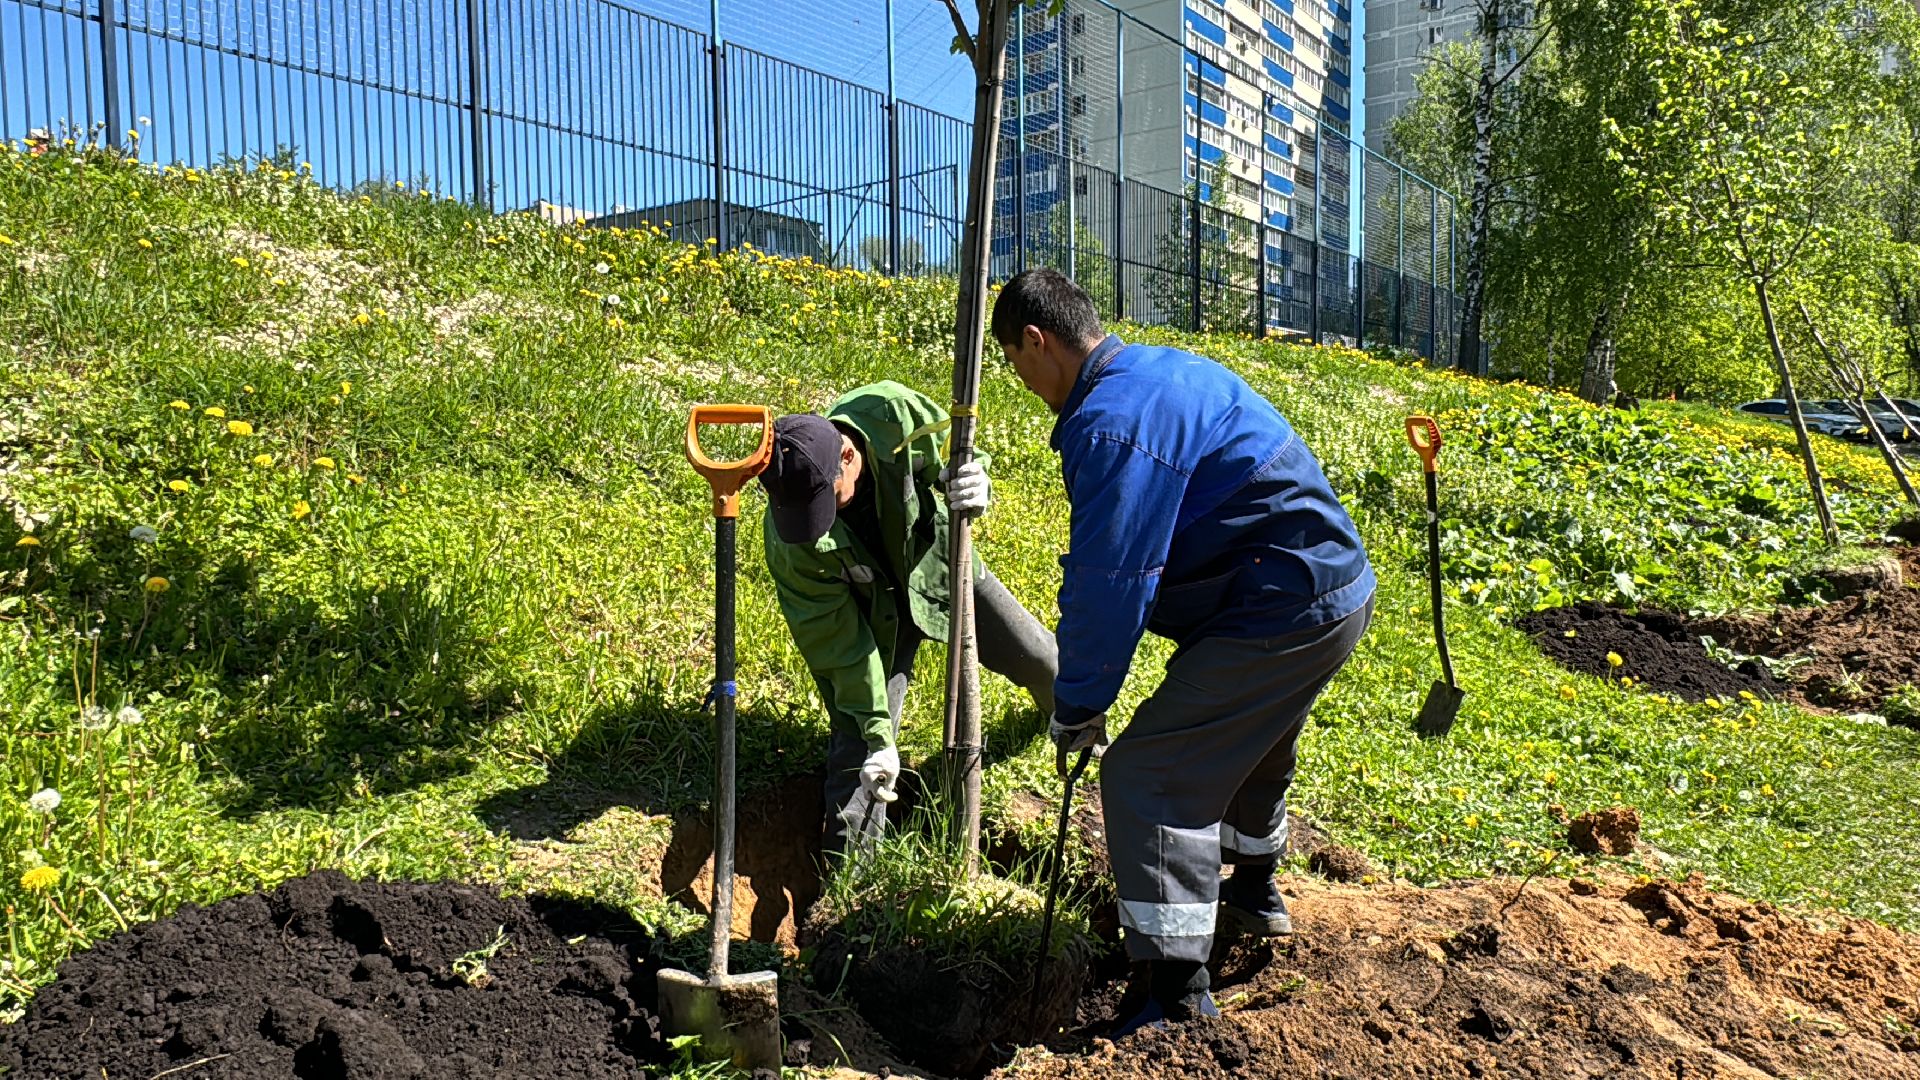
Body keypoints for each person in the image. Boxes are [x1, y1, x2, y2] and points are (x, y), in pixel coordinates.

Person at [991, 269, 1375, 1036]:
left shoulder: (1111, 422)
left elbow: (1113, 578)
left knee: (1149, 773)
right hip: (1321, 587)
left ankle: (1174, 991)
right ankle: (1253, 894)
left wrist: (1079, 705)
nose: (1021, 381)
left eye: (1013, 361)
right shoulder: (1158, 369)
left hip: (1280, 602)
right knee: (1248, 743)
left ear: (1037, 341)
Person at [758, 381, 1058, 854]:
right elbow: (838, 646)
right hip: (874, 617)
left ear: (849, 457)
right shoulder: (793, 539)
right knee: (861, 754)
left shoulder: (892, 414)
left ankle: (1073, 724)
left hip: (941, 568)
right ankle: (848, 890)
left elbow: (958, 449)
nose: (820, 521)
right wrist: (879, 736)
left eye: (826, 501)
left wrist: (977, 476)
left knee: (1041, 659)